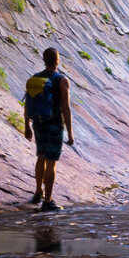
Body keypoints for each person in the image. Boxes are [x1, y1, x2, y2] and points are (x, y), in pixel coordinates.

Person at [21, 46, 74, 210]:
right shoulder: (62, 80)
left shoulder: (35, 78)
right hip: (54, 125)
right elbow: (66, 108)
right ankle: (48, 201)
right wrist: (70, 134)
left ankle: (38, 193)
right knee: (51, 163)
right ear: (57, 60)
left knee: (41, 157)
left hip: (38, 123)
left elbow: (27, 105)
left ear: (44, 60)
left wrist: (26, 126)